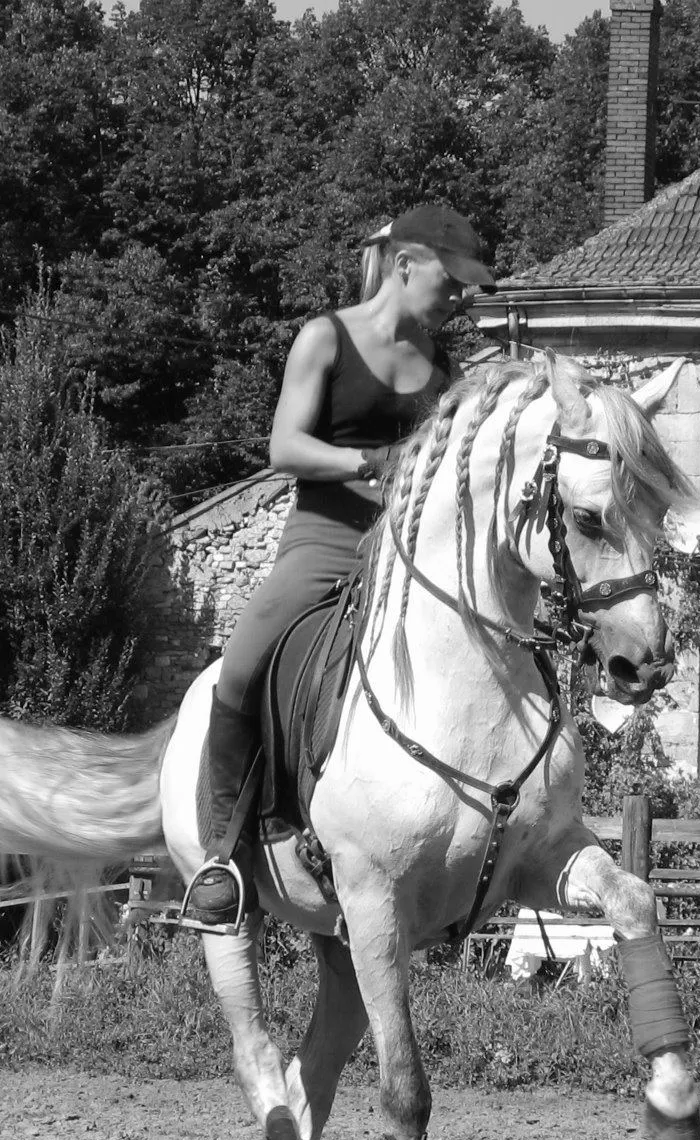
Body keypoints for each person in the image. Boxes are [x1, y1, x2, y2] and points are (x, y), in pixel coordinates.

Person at [179, 203, 495, 931]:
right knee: (244, 661)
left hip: (407, 550)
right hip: (324, 537)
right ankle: (219, 857)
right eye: (450, 283)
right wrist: (371, 460)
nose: (458, 299)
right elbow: (284, 448)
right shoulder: (325, 338)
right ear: (406, 264)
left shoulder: (444, 368)